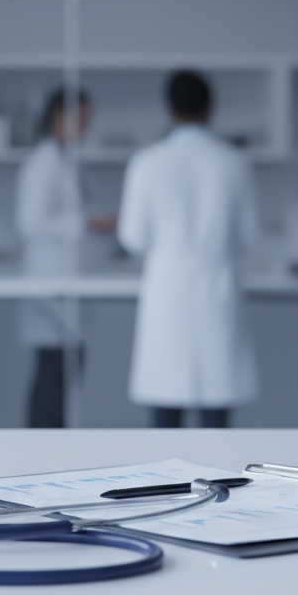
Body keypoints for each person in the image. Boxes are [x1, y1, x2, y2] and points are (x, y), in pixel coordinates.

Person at [118, 70, 258, 428]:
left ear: (168, 109)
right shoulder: (234, 162)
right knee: (217, 426)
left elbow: (132, 238)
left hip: (168, 298)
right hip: (218, 295)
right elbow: (250, 237)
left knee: (164, 426)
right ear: (210, 108)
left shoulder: (146, 163)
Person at [16, 87, 115, 427]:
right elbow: (30, 223)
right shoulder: (42, 164)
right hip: (51, 291)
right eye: (82, 118)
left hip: (68, 289)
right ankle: (37, 455)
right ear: (59, 115)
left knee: (65, 382)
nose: (86, 127)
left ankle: (50, 452)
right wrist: (88, 221)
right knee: (53, 383)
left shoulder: (63, 162)